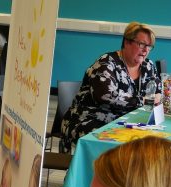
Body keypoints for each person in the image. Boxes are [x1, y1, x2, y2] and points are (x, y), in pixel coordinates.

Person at [60, 21, 161, 152]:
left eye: (149, 46)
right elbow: (106, 95)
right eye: (141, 44)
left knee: (151, 143)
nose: (146, 50)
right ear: (127, 42)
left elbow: (158, 92)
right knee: (125, 148)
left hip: (125, 123)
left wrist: (154, 99)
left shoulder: (148, 66)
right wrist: (144, 101)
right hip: (90, 120)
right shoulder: (107, 63)